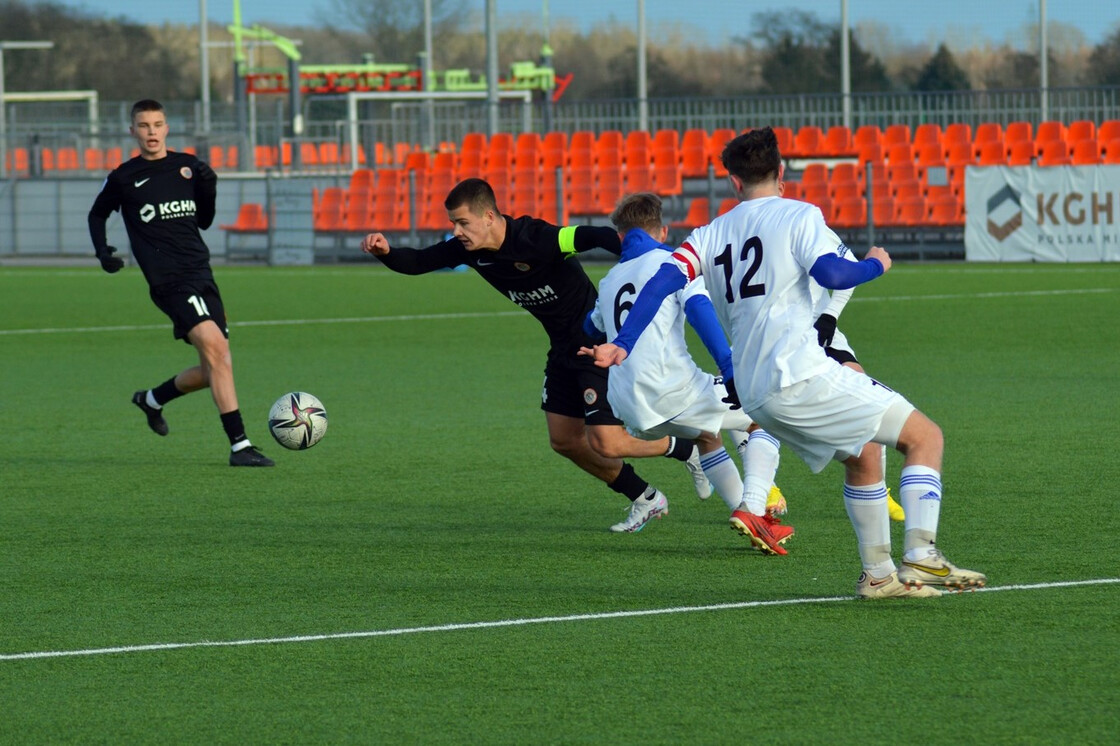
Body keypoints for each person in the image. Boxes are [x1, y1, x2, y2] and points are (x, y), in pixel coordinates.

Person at [583, 127, 986, 598]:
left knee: (862, 454)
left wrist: (623, 343)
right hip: (799, 373)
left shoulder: (709, 233)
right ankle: (922, 556)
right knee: (925, 437)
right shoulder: (799, 215)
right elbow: (834, 273)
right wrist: (877, 263)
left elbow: (661, 281)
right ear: (781, 171)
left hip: (754, 393)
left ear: (733, 182)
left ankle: (878, 575)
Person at [359, 177, 706, 532]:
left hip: (593, 344)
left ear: (489, 217)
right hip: (561, 349)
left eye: (463, 222)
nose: (457, 231)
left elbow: (596, 235)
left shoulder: (538, 238)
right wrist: (386, 252)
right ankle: (644, 496)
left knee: (606, 442)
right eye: (453, 223)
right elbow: (417, 261)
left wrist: (654, 261)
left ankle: (685, 448)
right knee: (564, 440)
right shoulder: (466, 249)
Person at [584, 192, 792, 553]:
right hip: (671, 392)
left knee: (708, 436)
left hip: (628, 407)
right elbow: (699, 311)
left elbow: (591, 327)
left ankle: (755, 524)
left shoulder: (609, 279)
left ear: (621, 237)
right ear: (662, 231)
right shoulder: (674, 262)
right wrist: (730, 370)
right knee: (763, 415)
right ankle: (753, 508)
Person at [87, 99, 274, 467]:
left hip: (201, 274)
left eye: (157, 124)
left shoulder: (187, 166)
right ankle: (240, 446)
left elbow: (204, 221)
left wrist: (209, 187)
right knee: (218, 351)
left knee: (213, 368)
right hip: (168, 281)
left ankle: (152, 399)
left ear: (167, 128)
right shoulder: (124, 177)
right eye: (143, 125)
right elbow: (97, 213)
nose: (151, 132)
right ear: (133, 131)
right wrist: (102, 251)